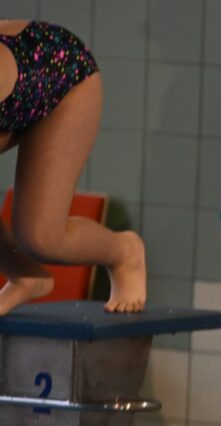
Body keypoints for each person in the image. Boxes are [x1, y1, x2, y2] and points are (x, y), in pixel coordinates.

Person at [0, 19, 145, 316]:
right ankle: (24, 274)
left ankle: (124, 252)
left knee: (42, 238)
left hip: (63, 74)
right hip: (15, 93)